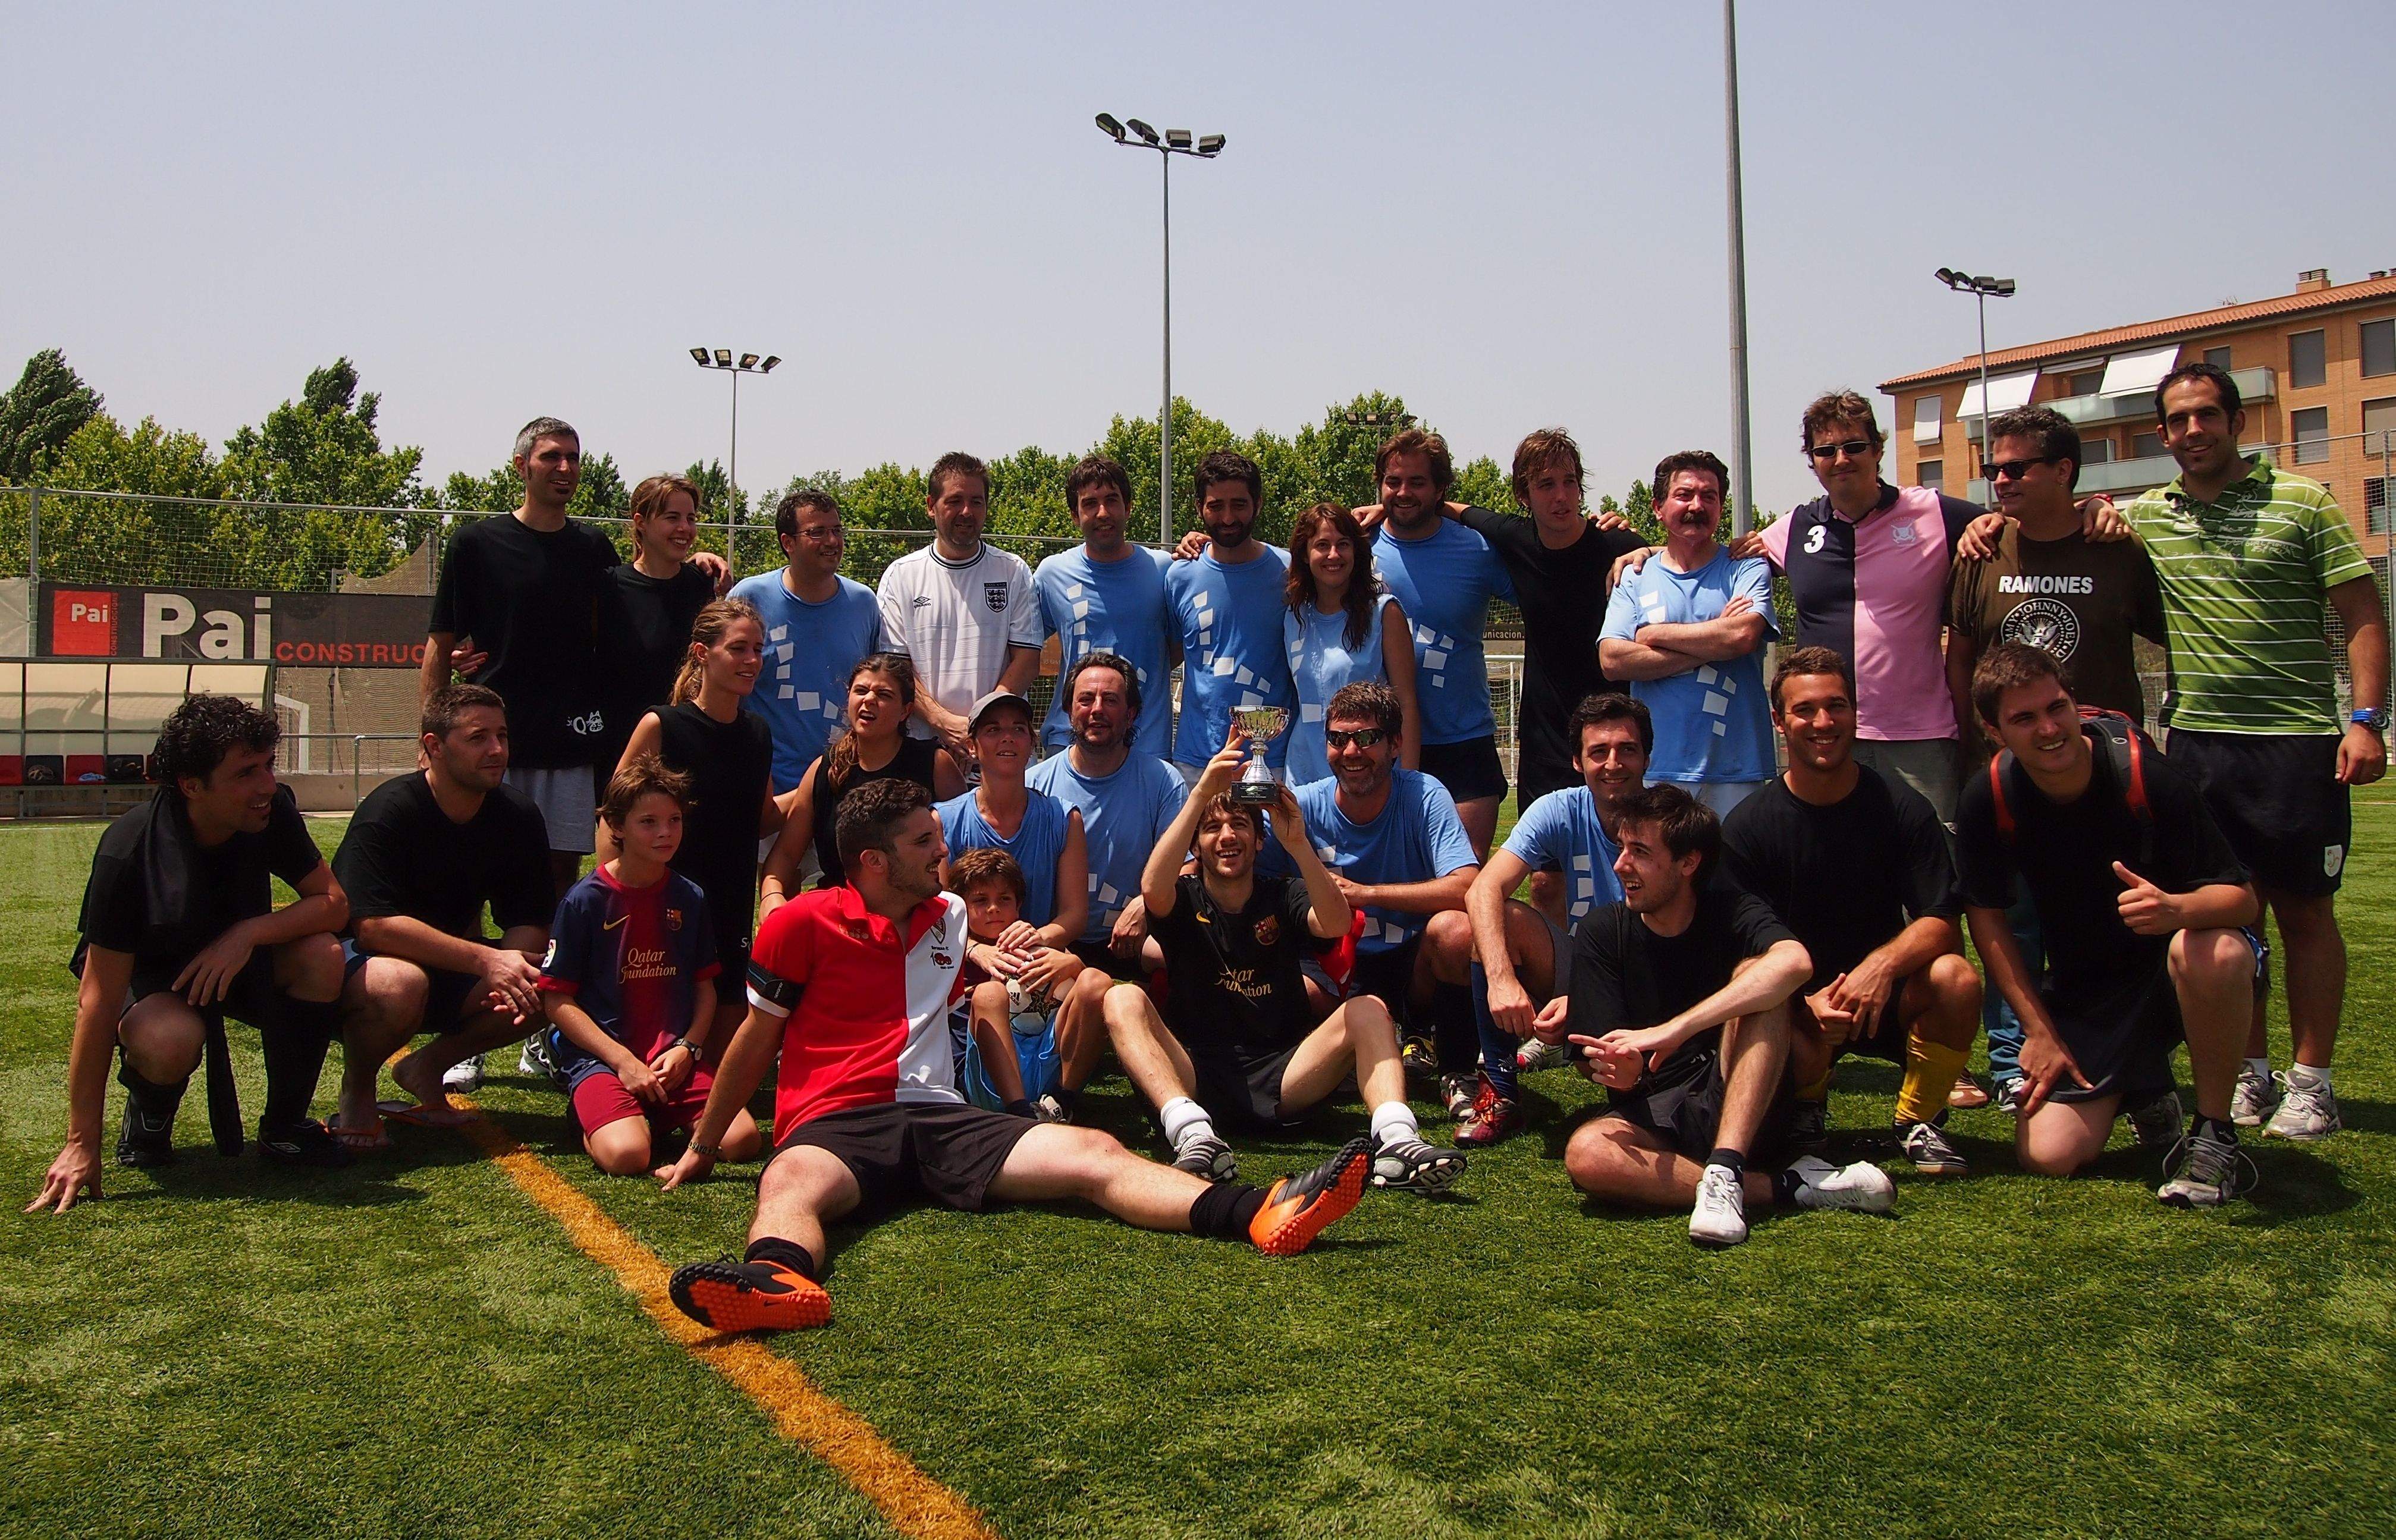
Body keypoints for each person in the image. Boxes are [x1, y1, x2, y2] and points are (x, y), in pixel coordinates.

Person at [653, 778, 1378, 1333]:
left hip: (943, 1117)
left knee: (1094, 1150)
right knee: (790, 1180)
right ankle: (777, 1282)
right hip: (837, 1119)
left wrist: (1068, 975)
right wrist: (706, 1144)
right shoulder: (802, 921)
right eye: (923, 844)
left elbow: (1010, 981)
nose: (943, 854)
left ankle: (1260, 1210)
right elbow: (755, 1038)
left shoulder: (952, 916)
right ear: (873, 861)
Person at [2121, 362, 2388, 1142]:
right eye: (2178, 419)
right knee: (2226, 922)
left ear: (2238, 423)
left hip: (2298, 745)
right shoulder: (2145, 516)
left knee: (2305, 913)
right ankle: (2251, 1070)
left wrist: (2366, 717)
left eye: (2207, 415)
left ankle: (2314, 1082)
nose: (2193, 430)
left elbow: (2363, 610)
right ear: (2163, 433)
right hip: (2197, 745)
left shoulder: (2302, 501)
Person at [1955, 642, 2262, 1205]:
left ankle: (2214, 1133)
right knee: (2048, 1155)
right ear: (1994, 731)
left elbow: (2242, 901)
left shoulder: (2148, 777)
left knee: (2213, 952)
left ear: (2076, 705)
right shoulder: (1990, 795)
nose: (2048, 729)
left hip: (2179, 973)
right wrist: (2039, 1031)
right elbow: (1988, 921)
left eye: (2056, 708)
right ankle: (2145, 1088)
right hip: (2090, 988)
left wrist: (2176, 911)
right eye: (2024, 719)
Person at [30, 697, 352, 1211]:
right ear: (191, 785)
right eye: (246, 772)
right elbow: (97, 999)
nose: (267, 785)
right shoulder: (128, 849)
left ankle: (285, 1126)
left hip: (233, 960)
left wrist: (247, 934)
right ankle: (149, 1120)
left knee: (322, 955)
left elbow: (333, 904)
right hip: (154, 976)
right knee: (170, 1037)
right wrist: (79, 1143)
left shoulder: (273, 812)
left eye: (269, 764)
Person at [1105, 736, 1467, 1192]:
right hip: (1195, 1073)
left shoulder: (1284, 893)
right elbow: (1153, 885)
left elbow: (1335, 922)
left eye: (1239, 825)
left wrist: (1297, 846)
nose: (1226, 837)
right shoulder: (1183, 899)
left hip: (1284, 1073)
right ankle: (1193, 1137)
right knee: (1122, 997)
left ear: (1259, 841)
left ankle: (1397, 1142)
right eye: (1211, 829)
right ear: (1196, 846)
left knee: (1369, 1008)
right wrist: (1200, 793)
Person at [1541, 785, 1895, 1247]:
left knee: (1759, 977)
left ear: (1688, 863)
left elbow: (1794, 963)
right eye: (1622, 849)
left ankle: (1727, 1165)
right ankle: (1789, 1187)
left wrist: (1675, 1029)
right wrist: (1620, 1076)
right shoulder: (1602, 932)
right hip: (1657, 1106)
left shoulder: (1731, 909)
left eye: (1640, 852)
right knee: (1588, 1154)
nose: (1620, 866)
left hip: (1744, 1091)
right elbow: (1599, 1060)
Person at [1947, 405, 2166, 1111]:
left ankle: (2133, 1062)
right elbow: (1962, 656)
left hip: (2100, 778)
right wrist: (1974, 737)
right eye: (1995, 468)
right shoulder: (1982, 549)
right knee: (2015, 918)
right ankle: (2015, 1061)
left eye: (2017, 467)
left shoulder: (2118, 547)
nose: (2000, 480)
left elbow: (2170, 637)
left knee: (2115, 918)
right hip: (2014, 778)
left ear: (2066, 472)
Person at [1722, 648, 1983, 1172]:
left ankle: (1917, 1121)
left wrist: (1879, 968)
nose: (1823, 722)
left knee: (1956, 978)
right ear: (1779, 721)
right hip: (1801, 1008)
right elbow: (1739, 950)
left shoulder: (1901, 806)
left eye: (1836, 706)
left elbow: (1939, 918)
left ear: (1854, 711)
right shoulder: (1749, 827)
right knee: (1758, 996)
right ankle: (1807, 1109)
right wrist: (1800, 1004)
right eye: (1805, 710)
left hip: (1882, 998)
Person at [1741, 392, 1987, 819]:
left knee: (1929, 868)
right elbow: (1713, 559)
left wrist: (2094, 508)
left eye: (1853, 446)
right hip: (1826, 735)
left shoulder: (1932, 512)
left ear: (1877, 450)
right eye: (1825, 450)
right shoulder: (1795, 527)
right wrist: (1642, 552)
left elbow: (2018, 525)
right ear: (1812, 461)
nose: (1840, 459)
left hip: (1918, 738)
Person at [328, 684, 557, 1135]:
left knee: (552, 983)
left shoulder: (517, 815)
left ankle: (425, 1069)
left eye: (502, 736)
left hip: (450, 967)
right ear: (433, 747)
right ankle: (358, 1088)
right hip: (361, 971)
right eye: (478, 738)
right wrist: (487, 961)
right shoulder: (390, 810)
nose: (496, 750)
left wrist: (515, 972)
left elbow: (527, 919)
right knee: (401, 984)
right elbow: (371, 927)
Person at [1430, 693, 1651, 1146]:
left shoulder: (1669, 818)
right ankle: (1501, 1091)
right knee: (1488, 922)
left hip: (1651, 981)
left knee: (1605, 1069)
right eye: (1598, 752)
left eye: (1626, 749)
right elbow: (1484, 888)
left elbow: (1682, 943)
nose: (1613, 764)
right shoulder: (1559, 808)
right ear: (1576, 761)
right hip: (1585, 965)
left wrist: (1588, 1000)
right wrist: (1501, 980)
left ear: (1647, 756)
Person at [1264, 682, 1481, 1121]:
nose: (1351, 752)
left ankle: (1454, 1065)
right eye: (1338, 739)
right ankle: (1335, 1054)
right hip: (1336, 963)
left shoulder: (1424, 795)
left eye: (1366, 738)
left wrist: (1366, 895)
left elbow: (1466, 886)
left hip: (1410, 960)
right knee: (1288, 986)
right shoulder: (1302, 804)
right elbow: (1242, 867)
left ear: (1395, 744)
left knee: (1456, 932)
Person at [423, 417, 618, 901]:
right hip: (491, 738)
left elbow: (642, 590)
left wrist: (698, 559)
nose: (565, 467)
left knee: (557, 876)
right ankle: (463, 974)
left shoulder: (592, 547)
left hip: (567, 740)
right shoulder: (475, 544)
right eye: (551, 456)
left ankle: (551, 975)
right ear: (520, 466)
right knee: (467, 872)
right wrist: (429, 737)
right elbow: (439, 640)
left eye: (573, 457)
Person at [539, 758, 764, 1176]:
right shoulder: (585, 901)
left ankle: (653, 1113)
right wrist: (622, 1062)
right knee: (628, 1157)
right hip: (605, 1059)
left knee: (742, 1142)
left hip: (670, 1059)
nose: (665, 832)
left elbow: (704, 988)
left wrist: (688, 1048)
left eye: (674, 819)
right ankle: (592, 1111)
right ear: (616, 827)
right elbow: (557, 1001)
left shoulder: (688, 896)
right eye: (648, 822)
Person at [607, 599, 779, 1043]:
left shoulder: (757, 733)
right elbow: (614, 815)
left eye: (758, 649)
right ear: (702, 654)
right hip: (663, 897)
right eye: (738, 648)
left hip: (729, 901)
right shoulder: (662, 725)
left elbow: (763, 819)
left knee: (718, 1044)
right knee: (652, 1025)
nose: (752, 661)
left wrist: (823, 778)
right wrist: (612, 896)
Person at [937, 689, 1108, 1117]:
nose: (1007, 739)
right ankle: (1011, 1104)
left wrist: (1039, 939)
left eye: (1018, 729)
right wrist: (978, 950)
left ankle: (1062, 1098)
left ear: (1032, 742)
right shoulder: (944, 820)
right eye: (993, 730)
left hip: (1039, 968)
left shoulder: (1062, 817)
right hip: (974, 975)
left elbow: (1073, 914)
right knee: (990, 999)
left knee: (1088, 983)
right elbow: (933, 918)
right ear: (974, 745)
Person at [1356, 429, 1516, 856]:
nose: (1402, 492)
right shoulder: (1354, 547)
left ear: (1441, 488)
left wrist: (1619, 546)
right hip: (1376, 741)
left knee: (1463, 879)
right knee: (1383, 876)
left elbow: (1550, 582)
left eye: (1417, 482)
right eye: (1393, 482)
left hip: (1461, 741)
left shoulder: (1477, 550)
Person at [1599, 451, 1776, 816]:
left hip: (1738, 770)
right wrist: (1715, 642)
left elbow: (1742, 636)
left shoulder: (1746, 567)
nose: (1697, 505)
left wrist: (1655, 634)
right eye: (1684, 495)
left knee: (1735, 875)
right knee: (1659, 874)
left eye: (1709, 496)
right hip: (1657, 769)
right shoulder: (1633, 575)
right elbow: (1613, 660)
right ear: (1658, 508)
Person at [1026, 653, 1189, 984]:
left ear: (1131, 715)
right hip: (1056, 940)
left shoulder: (1163, 782)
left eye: (1110, 700)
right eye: (1085, 699)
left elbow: (1186, 866)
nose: (1096, 709)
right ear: (1069, 711)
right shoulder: (1034, 784)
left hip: (1132, 940)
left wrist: (1146, 905)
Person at [759, 653, 966, 907]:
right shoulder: (826, 769)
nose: (869, 700)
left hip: (916, 920)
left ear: (906, 711)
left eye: (884, 695)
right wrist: (772, 898)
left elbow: (962, 853)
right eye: (861, 690)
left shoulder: (935, 764)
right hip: (839, 915)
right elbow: (785, 855)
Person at [874, 452, 1041, 762]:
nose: (967, 511)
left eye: (977, 502)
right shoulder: (901, 576)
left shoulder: (1012, 571)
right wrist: (943, 723)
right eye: (955, 501)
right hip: (921, 750)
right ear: (930, 506)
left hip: (997, 750)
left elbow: (1027, 660)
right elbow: (895, 670)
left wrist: (982, 723)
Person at [727, 488, 884, 803]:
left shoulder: (863, 602)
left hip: (843, 783)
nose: (832, 541)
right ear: (788, 542)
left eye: (837, 530)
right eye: (817, 532)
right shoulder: (751, 597)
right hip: (767, 788)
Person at [1033, 454, 1177, 760]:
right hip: (1069, 741)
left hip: (1145, 744)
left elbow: (1177, 647)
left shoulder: (1164, 571)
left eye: (1112, 500)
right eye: (1089, 504)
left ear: (1128, 507)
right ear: (1075, 514)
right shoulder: (1051, 574)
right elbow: (1024, 648)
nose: (1102, 513)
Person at [1166, 450, 1296, 784]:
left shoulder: (1291, 573)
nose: (1227, 518)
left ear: (1258, 504)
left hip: (1274, 757)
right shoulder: (1179, 576)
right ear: (1199, 509)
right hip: (1197, 760)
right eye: (1215, 506)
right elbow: (1171, 653)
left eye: (1239, 504)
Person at [1281, 501, 1419, 787]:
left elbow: (1406, 704)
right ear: (1305, 555)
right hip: (1303, 779)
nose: (1334, 555)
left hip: (1366, 778)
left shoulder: (1384, 613)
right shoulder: (1294, 616)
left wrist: (1408, 783)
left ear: (1357, 551)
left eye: (1343, 544)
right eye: (1322, 545)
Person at [599, 473, 720, 778]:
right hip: (623, 747)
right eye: (672, 517)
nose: (685, 528)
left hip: (689, 744)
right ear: (641, 522)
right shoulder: (610, 586)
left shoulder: (700, 584)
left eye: (691, 518)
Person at [948, 848, 1073, 1117]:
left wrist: (1073, 965)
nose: (993, 909)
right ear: (962, 906)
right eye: (981, 900)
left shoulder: (1036, 946)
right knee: (991, 993)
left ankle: (1064, 1098)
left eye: (1004, 899)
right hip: (984, 1071)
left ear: (1018, 906)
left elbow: (1088, 991)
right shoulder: (951, 953)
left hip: (1043, 1058)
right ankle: (1019, 1111)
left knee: (1093, 978)